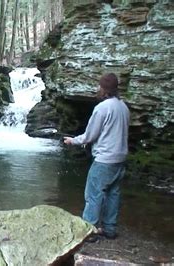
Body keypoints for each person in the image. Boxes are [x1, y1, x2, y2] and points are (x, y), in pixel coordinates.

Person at [64, 73, 130, 240]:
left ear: (104, 89)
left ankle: (89, 230)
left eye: (99, 86)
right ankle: (110, 229)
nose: (97, 89)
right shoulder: (124, 107)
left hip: (104, 159)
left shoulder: (102, 108)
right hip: (120, 158)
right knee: (113, 193)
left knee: (94, 194)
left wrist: (73, 141)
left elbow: (90, 136)